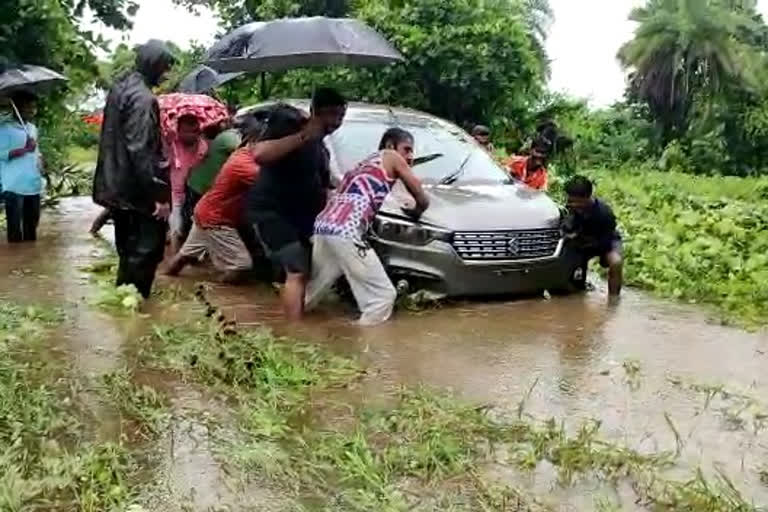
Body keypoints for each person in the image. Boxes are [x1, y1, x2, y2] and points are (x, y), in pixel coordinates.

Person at [306, 128, 430, 326]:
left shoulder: (365, 164)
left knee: (312, 291)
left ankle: (288, 328)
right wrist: (417, 211)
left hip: (324, 225)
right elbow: (421, 197)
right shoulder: (391, 156)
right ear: (390, 145)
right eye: (406, 149)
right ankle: (363, 347)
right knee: (382, 297)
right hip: (346, 230)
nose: (410, 156)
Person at [247, 88, 347, 321]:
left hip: (302, 220)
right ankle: (295, 335)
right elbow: (260, 154)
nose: (335, 122)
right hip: (271, 213)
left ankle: (289, 317)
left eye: (340, 116)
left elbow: (327, 186)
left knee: (303, 272)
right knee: (297, 269)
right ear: (315, 112)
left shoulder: (322, 150)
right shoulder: (290, 126)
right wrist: (303, 135)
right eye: (330, 115)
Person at [92, 39, 175, 299]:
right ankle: (136, 312)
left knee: (128, 252)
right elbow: (141, 151)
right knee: (146, 253)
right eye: (164, 67)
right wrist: (159, 195)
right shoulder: (143, 98)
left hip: (118, 189)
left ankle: (125, 309)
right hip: (138, 192)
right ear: (154, 64)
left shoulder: (120, 90)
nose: (166, 74)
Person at [166, 118, 259, 284]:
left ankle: (165, 279)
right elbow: (267, 183)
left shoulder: (241, 154)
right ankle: (215, 289)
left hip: (206, 210)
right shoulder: (244, 162)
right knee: (241, 266)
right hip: (216, 217)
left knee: (184, 256)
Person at [563, 175, 623, 298]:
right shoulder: (571, 207)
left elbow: (605, 244)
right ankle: (576, 290)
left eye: (576, 202)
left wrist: (582, 243)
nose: (572, 205)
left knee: (616, 263)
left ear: (587, 197)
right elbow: (567, 226)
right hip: (581, 241)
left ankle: (613, 299)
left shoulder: (605, 213)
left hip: (605, 242)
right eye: (570, 201)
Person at [182, 118, 241, 238]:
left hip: (201, 184)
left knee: (195, 218)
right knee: (195, 219)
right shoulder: (228, 136)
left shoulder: (212, 138)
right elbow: (242, 148)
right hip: (201, 185)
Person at [0, 92, 43, 243]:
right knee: (15, 231)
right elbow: (1, 154)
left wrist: (41, 163)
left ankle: (29, 262)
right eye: (28, 107)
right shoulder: (4, 128)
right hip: (13, 185)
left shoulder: (32, 128)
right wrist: (24, 149)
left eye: (34, 107)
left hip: (33, 184)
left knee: (32, 230)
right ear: (17, 107)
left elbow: (36, 152)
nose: (32, 111)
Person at [168, 114, 207, 253]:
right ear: (178, 131)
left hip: (192, 189)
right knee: (176, 224)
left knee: (191, 222)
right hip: (175, 190)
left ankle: (186, 253)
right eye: (187, 131)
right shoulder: (172, 143)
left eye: (195, 131)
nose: (192, 135)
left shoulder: (203, 145)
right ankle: (174, 253)